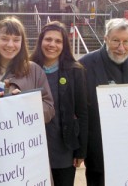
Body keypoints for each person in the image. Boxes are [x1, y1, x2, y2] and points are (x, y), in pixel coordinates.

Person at [79, 18, 128, 186]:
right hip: (98, 149)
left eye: (126, 41)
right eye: (115, 41)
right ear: (106, 38)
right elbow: (80, 110)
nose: (121, 48)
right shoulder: (84, 65)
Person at [30, 21, 88, 186]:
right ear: (40, 41)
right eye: (48, 39)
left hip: (64, 148)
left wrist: (81, 151)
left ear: (64, 45)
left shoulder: (75, 71)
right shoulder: (27, 69)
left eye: (58, 41)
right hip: (34, 148)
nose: (52, 45)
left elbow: (82, 113)